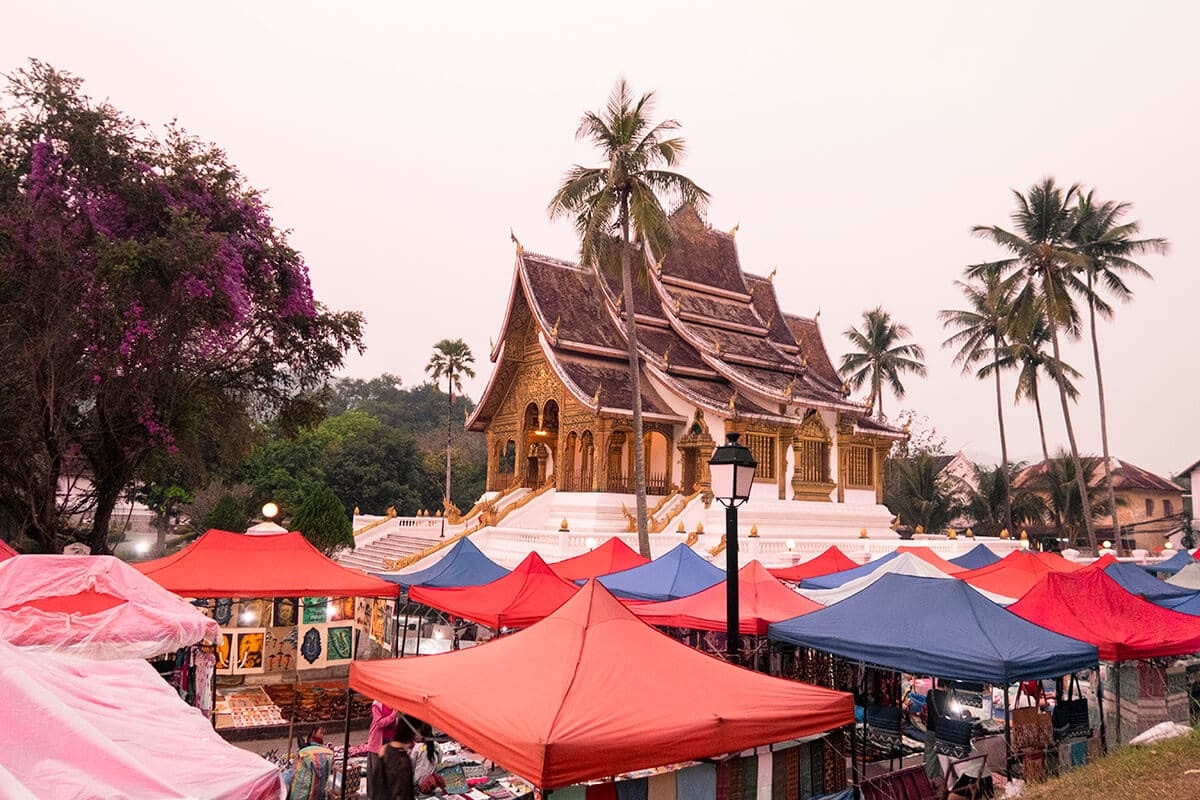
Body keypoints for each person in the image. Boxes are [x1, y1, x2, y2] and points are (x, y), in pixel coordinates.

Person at [288, 727, 335, 800]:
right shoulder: (328, 753)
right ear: (313, 732)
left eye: (323, 734)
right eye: (321, 733)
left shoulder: (303, 752)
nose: (323, 735)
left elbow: (294, 770)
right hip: (318, 794)